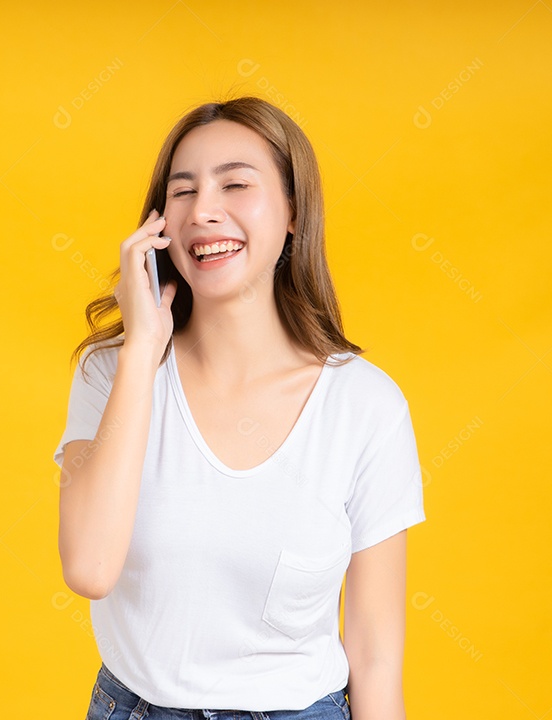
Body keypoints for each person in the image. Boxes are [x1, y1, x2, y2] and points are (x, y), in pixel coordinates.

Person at [53, 96, 426, 719]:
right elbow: (90, 567)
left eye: (235, 184)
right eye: (183, 191)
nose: (204, 211)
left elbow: (376, 652)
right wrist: (143, 347)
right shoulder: (111, 373)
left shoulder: (366, 406)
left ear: (293, 215)